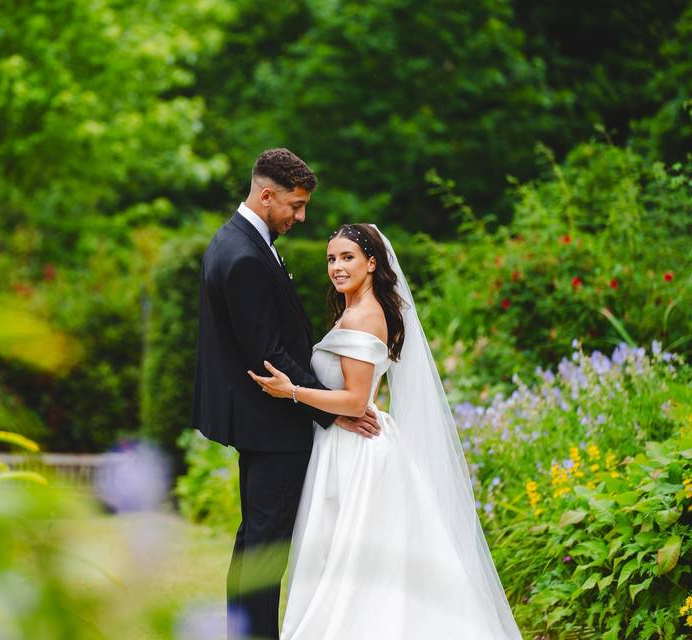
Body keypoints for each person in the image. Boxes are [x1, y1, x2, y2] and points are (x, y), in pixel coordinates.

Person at [248, 223, 522, 639]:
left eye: (347, 258)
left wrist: (293, 391)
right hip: (347, 443)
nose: (337, 267)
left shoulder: (363, 317)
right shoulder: (358, 311)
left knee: (351, 563)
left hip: (354, 452)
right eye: (331, 259)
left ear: (372, 263)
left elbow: (357, 401)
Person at [191, 149, 382, 639]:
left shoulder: (238, 242)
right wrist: (330, 408)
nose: (300, 217)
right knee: (265, 547)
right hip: (273, 425)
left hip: (262, 421)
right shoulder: (243, 255)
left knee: (256, 542)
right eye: (295, 206)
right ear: (267, 194)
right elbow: (268, 351)